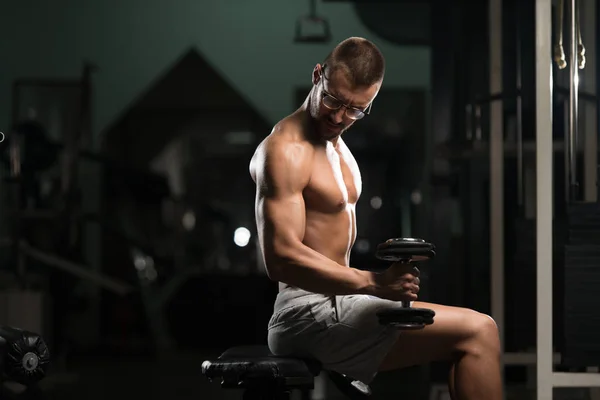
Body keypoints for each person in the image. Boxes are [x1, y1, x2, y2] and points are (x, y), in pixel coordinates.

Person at [249, 37, 502, 400]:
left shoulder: (339, 149)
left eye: (355, 109)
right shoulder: (286, 150)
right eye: (333, 100)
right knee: (478, 332)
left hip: (340, 304)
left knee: (479, 332)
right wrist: (373, 282)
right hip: (305, 315)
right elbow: (280, 258)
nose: (338, 117)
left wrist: (386, 278)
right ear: (317, 75)